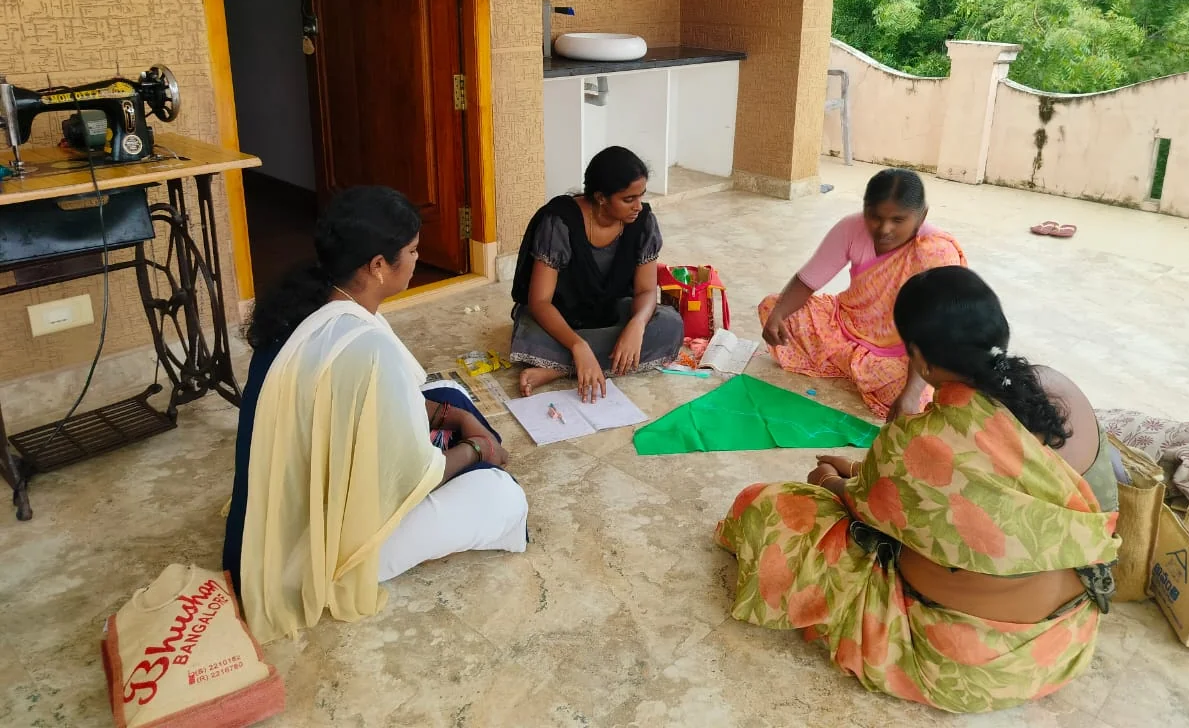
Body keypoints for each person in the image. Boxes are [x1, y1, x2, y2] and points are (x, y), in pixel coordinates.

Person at [717, 267, 1120, 713]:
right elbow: (979, 494)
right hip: (1062, 639)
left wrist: (834, 481)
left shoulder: (913, 444)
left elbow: (870, 508)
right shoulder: (1062, 392)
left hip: (952, 657)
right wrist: (863, 472)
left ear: (920, 360)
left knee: (767, 506)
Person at [223, 186, 528, 642]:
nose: (417, 258)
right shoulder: (365, 346)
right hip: (314, 551)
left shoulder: (314, 306)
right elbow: (411, 477)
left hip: (274, 520)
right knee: (502, 496)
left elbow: (373, 401)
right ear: (378, 266)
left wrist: (451, 415)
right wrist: (475, 448)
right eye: (412, 251)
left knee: (447, 393)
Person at [759, 168, 964, 418]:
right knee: (774, 308)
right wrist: (779, 313)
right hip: (845, 326)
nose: (884, 229)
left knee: (913, 399)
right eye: (875, 217)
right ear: (865, 208)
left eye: (898, 220)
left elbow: (935, 332)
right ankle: (852, 365)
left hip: (901, 351)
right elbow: (808, 279)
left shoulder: (937, 252)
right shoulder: (851, 228)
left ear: (922, 216)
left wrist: (909, 394)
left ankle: (850, 366)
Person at [510, 146, 684, 399]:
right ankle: (580, 358)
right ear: (601, 197)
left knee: (668, 325)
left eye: (641, 196)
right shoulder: (560, 222)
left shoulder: (643, 221)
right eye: (628, 199)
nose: (638, 206)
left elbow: (646, 290)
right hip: (562, 317)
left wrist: (636, 325)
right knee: (529, 331)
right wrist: (578, 345)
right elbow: (540, 302)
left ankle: (558, 370)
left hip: (610, 312)